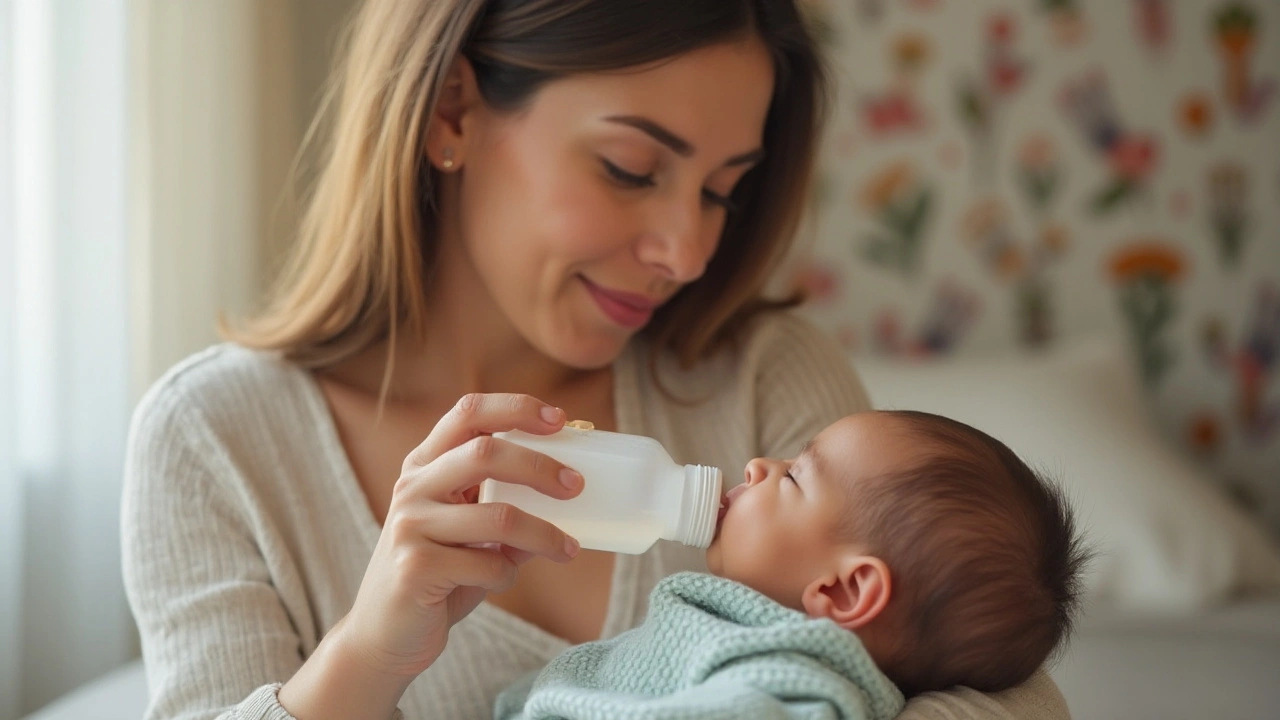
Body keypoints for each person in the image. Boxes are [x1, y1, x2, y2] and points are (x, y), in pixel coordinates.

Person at [120, 1, 1072, 718]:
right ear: (452, 109)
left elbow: (1012, 703)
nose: (688, 253)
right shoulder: (215, 443)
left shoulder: (759, 377)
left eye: (722, 193)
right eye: (630, 168)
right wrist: (367, 654)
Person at [494, 410, 1090, 719]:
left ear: (842, 590)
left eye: (797, 476)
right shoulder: (746, 636)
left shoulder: (790, 683)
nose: (757, 466)